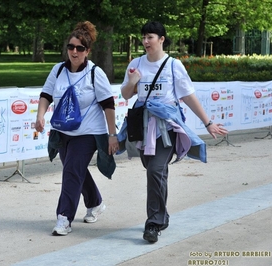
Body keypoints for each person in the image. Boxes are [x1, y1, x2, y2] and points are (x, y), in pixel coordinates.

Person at [120, 21, 228, 243]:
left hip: (167, 129)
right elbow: (126, 94)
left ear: (161, 39)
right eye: (143, 37)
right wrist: (132, 82)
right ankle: (163, 215)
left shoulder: (173, 65)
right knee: (155, 171)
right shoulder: (136, 63)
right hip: (142, 130)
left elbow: (188, 96)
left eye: (150, 37)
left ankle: (154, 223)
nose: (145, 41)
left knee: (155, 171)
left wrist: (208, 123)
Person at [35, 21, 119, 236]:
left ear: (87, 51)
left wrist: (111, 135)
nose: (74, 51)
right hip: (63, 130)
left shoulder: (95, 73)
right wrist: (40, 116)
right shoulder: (59, 70)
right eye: (71, 47)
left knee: (72, 170)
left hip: (89, 131)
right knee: (75, 169)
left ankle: (64, 218)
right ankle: (96, 203)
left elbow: (108, 104)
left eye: (79, 48)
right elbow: (46, 94)